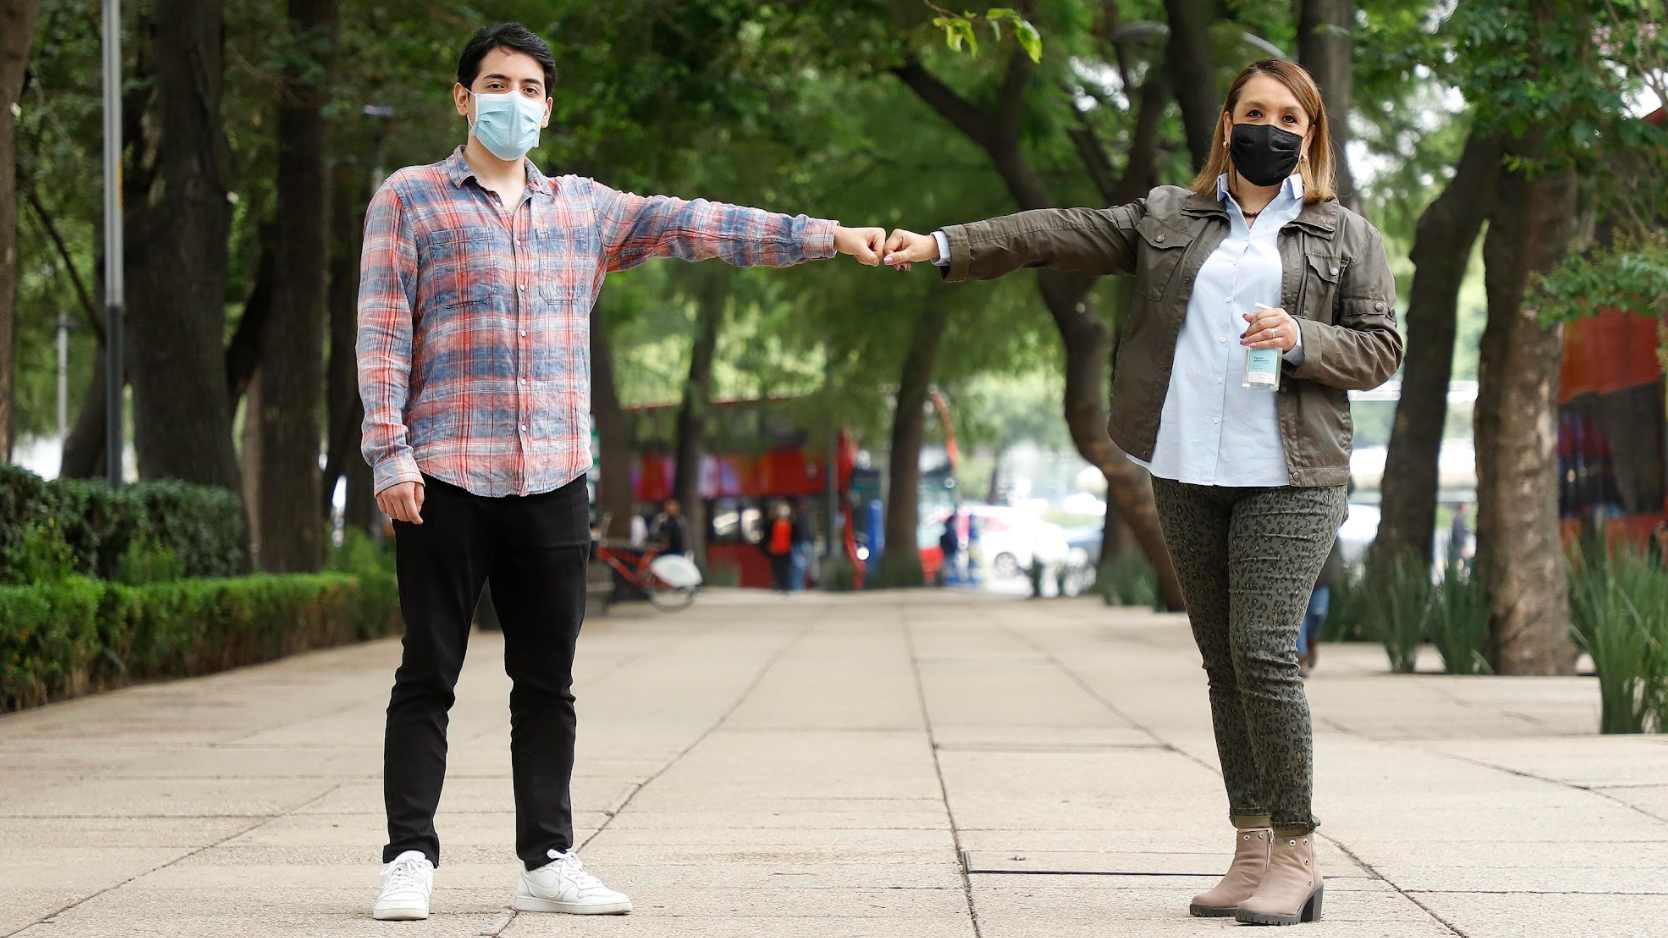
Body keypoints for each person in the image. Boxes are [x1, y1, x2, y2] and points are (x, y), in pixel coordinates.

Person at [358, 23, 886, 923]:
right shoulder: (410, 200)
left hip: (555, 477)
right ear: (462, 97)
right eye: (495, 84)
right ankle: (410, 854)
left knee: (548, 681)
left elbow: (702, 224)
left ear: (549, 107)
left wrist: (830, 236)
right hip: (443, 472)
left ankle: (548, 856)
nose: (512, 101)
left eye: (529, 88)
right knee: (429, 671)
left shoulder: (586, 211)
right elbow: (381, 331)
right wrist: (387, 452)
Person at [881, 59, 1402, 926]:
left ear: (1309, 136)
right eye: (1254, 111)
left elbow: (1381, 349)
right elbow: (1056, 230)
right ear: (1226, 124)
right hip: (1189, 466)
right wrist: (943, 245)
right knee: (1223, 666)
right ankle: (1249, 848)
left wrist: (1302, 335)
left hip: (1293, 472)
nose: (1271, 128)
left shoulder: (1345, 235)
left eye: (1290, 117)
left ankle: (1299, 853)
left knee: (1265, 654)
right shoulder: (1166, 218)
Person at [1297, 539, 1343, 676]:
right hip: (1299, 575)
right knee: (1300, 616)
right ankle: (1301, 658)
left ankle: (1311, 639)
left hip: (1322, 576)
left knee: (1318, 613)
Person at [764, 502, 795, 592]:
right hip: (775, 550)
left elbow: (793, 536)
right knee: (776, 569)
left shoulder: (790, 524)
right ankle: (778, 585)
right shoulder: (772, 523)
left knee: (785, 569)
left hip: (786, 550)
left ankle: (785, 586)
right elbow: (768, 536)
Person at [788, 498, 816, 591]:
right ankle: (797, 588)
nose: (803, 507)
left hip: (804, 544)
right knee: (798, 567)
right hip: (798, 544)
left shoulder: (804, 517)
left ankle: (800, 587)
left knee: (803, 567)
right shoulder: (795, 518)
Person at [938, 512, 962, 586]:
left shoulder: (947, 527)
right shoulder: (950, 528)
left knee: (949, 566)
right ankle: (947, 581)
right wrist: (957, 547)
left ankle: (947, 581)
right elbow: (952, 540)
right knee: (950, 566)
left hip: (948, 550)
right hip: (950, 551)